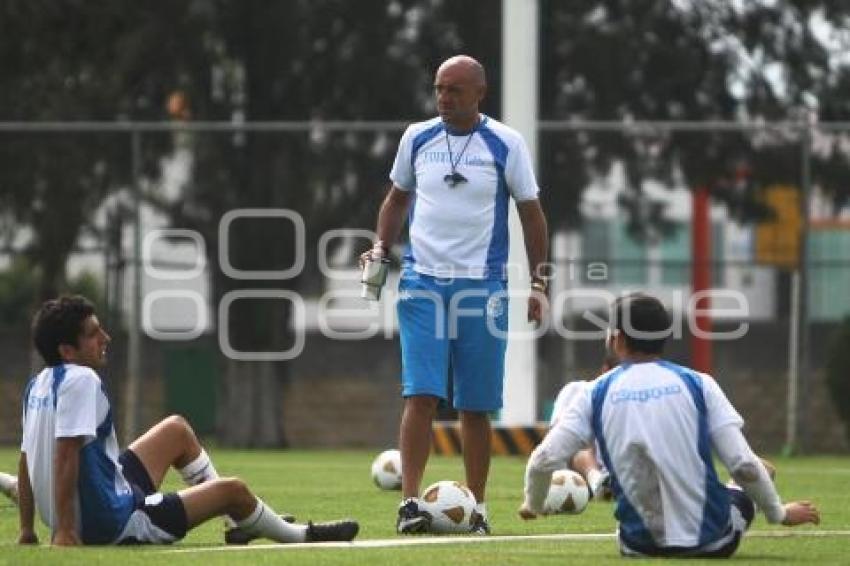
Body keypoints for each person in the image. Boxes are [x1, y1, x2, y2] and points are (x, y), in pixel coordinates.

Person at [362, 54, 548, 535]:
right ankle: (409, 504)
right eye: (440, 88)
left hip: (483, 286)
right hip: (422, 283)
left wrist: (540, 283)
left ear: (479, 93)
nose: (444, 98)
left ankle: (478, 508)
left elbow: (531, 214)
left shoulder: (506, 143)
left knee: (475, 403)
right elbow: (396, 198)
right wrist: (381, 246)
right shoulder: (417, 137)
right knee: (420, 394)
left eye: (455, 90)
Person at [15, 295, 359, 546]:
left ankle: (235, 524)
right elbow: (65, 455)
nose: (105, 338)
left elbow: (27, 458)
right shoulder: (82, 379)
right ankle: (301, 537)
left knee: (176, 429)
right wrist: (66, 533)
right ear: (67, 351)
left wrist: (28, 530)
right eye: (93, 334)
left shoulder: (37, 384)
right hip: (114, 522)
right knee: (234, 490)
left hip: (107, 498)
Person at [520, 293, 819, 558]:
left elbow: (543, 459)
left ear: (617, 339)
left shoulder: (593, 393)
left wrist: (533, 504)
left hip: (637, 546)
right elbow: (743, 464)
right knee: (761, 470)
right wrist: (779, 513)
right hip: (714, 542)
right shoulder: (699, 384)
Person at [548, 353, 620, 500]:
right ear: (606, 371)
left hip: (620, 473)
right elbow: (557, 438)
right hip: (580, 469)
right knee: (575, 443)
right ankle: (597, 482)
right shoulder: (577, 390)